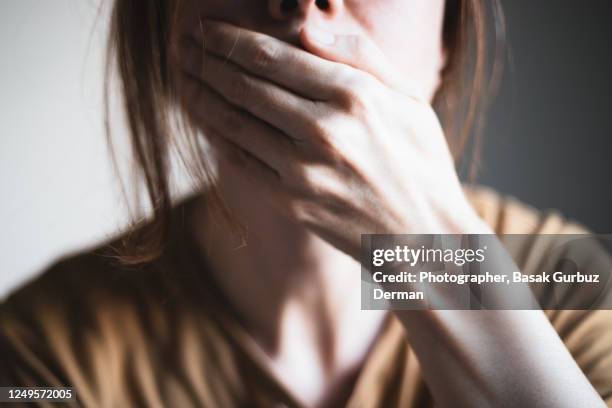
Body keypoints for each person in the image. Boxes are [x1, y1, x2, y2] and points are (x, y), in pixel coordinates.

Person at [1, 0, 611, 406]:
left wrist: (428, 253)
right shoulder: (43, 353)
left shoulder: (570, 287)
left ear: (451, 32)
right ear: (164, 26)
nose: (304, 5)